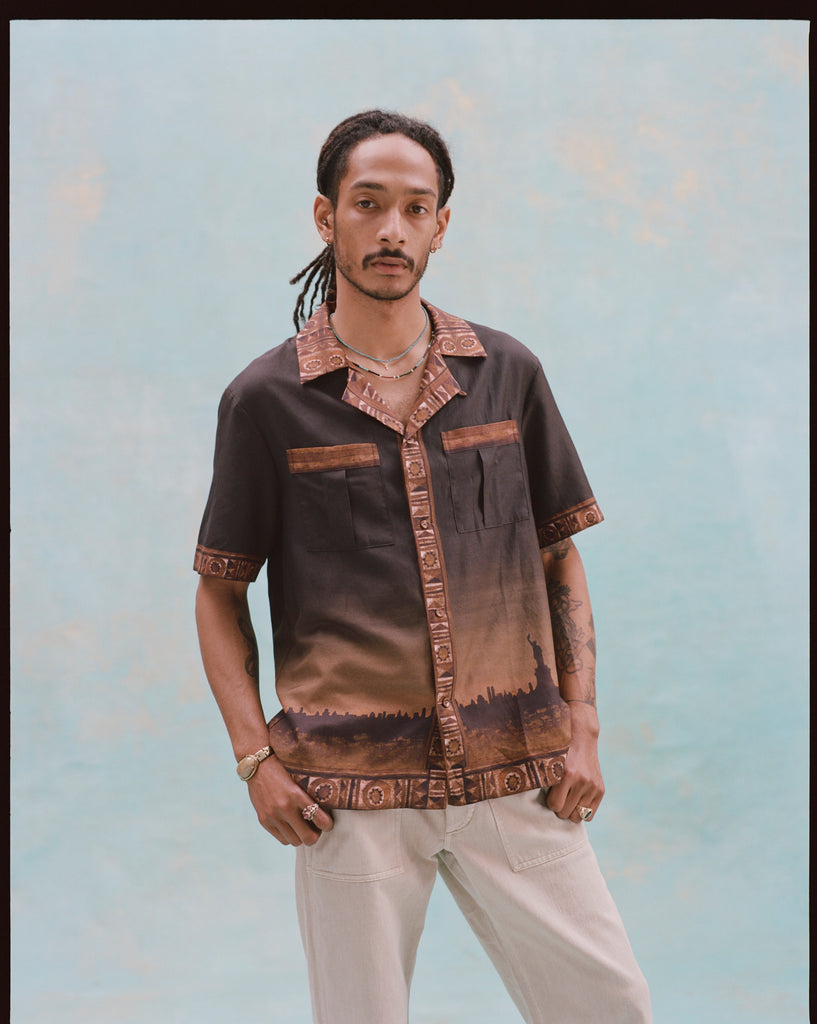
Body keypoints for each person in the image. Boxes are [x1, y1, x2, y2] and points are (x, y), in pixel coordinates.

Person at [194, 108, 651, 1024]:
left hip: (517, 765)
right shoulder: (265, 400)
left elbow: (558, 556)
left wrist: (583, 723)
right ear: (326, 217)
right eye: (368, 204)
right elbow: (219, 590)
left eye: (415, 207)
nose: (392, 230)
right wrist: (255, 761)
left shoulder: (506, 373)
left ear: (441, 224)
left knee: (607, 1005)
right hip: (348, 788)